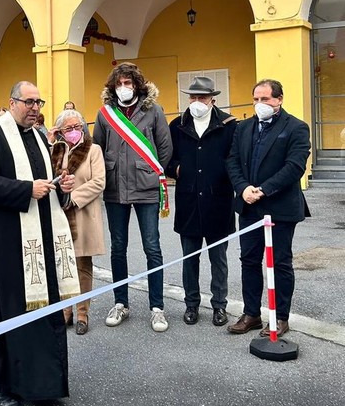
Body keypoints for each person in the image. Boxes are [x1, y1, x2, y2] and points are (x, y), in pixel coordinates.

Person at [0, 81, 79, 406]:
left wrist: (62, 186)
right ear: (11, 102)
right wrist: (26, 189)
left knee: (39, 310)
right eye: (28, 102)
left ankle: (40, 383)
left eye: (38, 102)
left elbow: (47, 186)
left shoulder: (40, 138)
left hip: (35, 241)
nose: (35, 108)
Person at [225, 79, 310, 338]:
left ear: (279, 100)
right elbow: (233, 160)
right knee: (249, 260)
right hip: (249, 206)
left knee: (281, 263)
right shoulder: (244, 127)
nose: (260, 104)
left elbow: (295, 166)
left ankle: (281, 318)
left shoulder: (296, 127)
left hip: (280, 207)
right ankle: (251, 313)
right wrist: (243, 188)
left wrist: (263, 190)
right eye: (256, 100)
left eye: (266, 99)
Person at [93, 62, 172, 332]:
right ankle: (120, 303)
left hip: (147, 188)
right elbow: (97, 151)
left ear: (137, 84)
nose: (124, 88)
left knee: (152, 247)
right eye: (119, 84)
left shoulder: (154, 111)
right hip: (115, 189)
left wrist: (147, 171)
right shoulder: (105, 114)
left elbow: (164, 149)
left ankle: (157, 307)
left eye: (128, 83)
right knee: (118, 247)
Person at [166, 77, 237, 327]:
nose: (197, 102)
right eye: (193, 98)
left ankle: (219, 305)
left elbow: (235, 159)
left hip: (218, 202)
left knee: (219, 259)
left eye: (202, 98)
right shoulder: (177, 125)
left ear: (212, 100)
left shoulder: (229, 125)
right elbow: (166, 158)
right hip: (188, 202)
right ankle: (191, 304)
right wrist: (175, 169)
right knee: (189, 259)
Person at [50, 109, 105, 336]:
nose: (73, 132)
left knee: (83, 266)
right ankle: (66, 310)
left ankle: (83, 312)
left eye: (77, 127)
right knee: (62, 265)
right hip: (59, 215)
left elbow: (99, 181)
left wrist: (73, 198)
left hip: (83, 214)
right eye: (68, 128)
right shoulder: (55, 150)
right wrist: (49, 141)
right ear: (61, 131)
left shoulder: (93, 150)